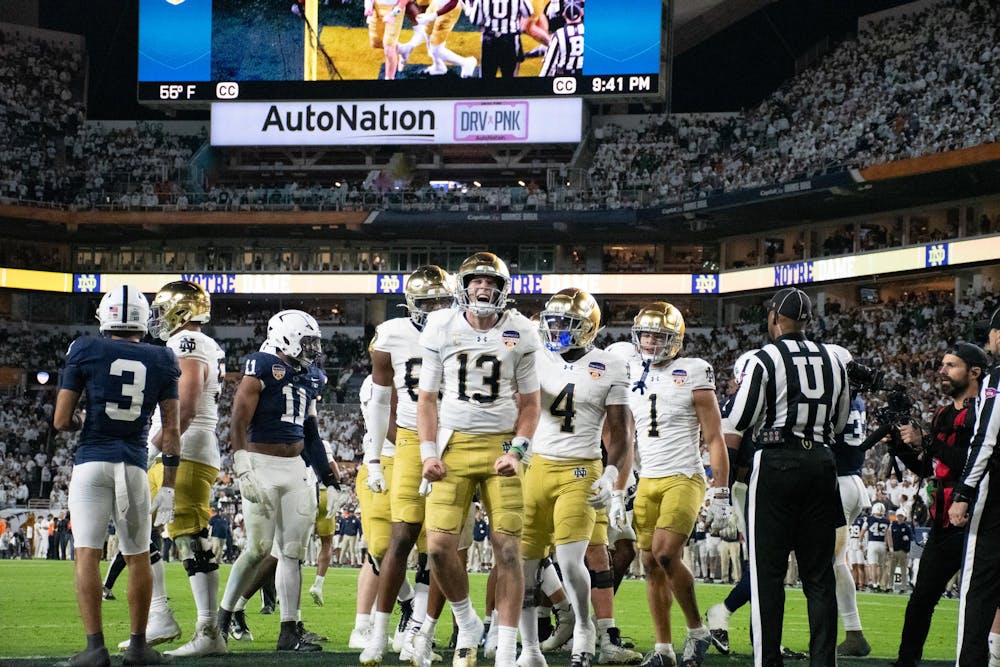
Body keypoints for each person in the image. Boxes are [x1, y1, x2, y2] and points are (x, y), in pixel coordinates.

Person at [416, 251, 541, 667]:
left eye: (491, 282)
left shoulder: (522, 331)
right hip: (453, 443)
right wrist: (428, 453)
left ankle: (505, 649)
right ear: (464, 287)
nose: (483, 288)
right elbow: (428, 399)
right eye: (476, 281)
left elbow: (530, 404)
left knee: (508, 549)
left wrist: (519, 451)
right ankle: (467, 622)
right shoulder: (440, 325)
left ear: (504, 290)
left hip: (502, 446)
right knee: (437, 548)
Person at [54, 285, 181, 667]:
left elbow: (61, 420)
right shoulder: (163, 357)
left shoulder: (85, 348)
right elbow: (172, 431)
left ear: (104, 317)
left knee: (87, 554)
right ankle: (139, 646)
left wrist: (81, 418)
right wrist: (170, 486)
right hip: (133, 465)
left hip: (92, 462)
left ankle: (95, 648)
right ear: (144, 320)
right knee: (138, 555)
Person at [725, 287, 850, 667]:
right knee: (819, 577)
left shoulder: (766, 358)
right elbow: (840, 423)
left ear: (775, 318)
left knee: (767, 576)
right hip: (822, 465)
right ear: (808, 320)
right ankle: (822, 663)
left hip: (777, 463)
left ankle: (768, 661)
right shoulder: (833, 359)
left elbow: (742, 419)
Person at [518, 288, 632, 667]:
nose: (555, 329)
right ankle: (530, 649)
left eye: (566, 323)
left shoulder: (610, 365)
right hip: (535, 467)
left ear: (587, 327)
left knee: (570, 561)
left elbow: (620, 433)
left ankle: (585, 627)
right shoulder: (535, 355)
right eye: (552, 321)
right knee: (526, 565)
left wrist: (613, 475)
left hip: (580, 469)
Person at [217, 309, 340, 653]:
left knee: (291, 553)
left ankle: (290, 629)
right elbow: (238, 420)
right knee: (257, 548)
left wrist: (329, 478)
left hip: (296, 467)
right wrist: (242, 465)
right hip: (261, 464)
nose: (313, 349)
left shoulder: (310, 377)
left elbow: (312, 434)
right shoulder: (260, 364)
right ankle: (222, 619)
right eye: (308, 341)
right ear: (286, 337)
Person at [360, 265, 455, 667]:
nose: (435, 308)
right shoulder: (392, 334)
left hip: (454, 441)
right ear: (411, 304)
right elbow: (380, 401)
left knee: (442, 545)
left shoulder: (464, 330)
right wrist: (373, 458)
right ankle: (379, 633)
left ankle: (422, 632)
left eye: (441, 300)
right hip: (408, 441)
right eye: (427, 301)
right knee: (399, 540)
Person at [625, 302, 727, 667]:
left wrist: (721, 491)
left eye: (660, 335)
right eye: (647, 335)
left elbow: (715, 437)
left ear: (676, 340)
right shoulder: (629, 366)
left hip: (684, 474)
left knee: (667, 553)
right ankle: (664, 649)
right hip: (647, 477)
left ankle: (697, 629)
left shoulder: (694, 371)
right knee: (651, 564)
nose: (651, 342)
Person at [137, 281, 227, 657]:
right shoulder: (202, 344)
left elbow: (186, 407)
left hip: (186, 449)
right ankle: (161, 616)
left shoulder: (186, 344)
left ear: (181, 311)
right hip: (190, 447)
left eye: (163, 309)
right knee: (143, 529)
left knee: (190, 536)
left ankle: (208, 630)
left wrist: (153, 448)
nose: (158, 318)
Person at [886, 343, 987, 667]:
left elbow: (972, 463)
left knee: (978, 603)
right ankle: (906, 662)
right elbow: (932, 470)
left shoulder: (983, 412)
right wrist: (902, 450)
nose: (942, 371)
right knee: (920, 600)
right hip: (943, 522)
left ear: (974, 372)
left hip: (975, 520)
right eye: (942, 365)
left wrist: (926, 441)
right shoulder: (943, 413)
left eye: (951, 365)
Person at [949, 311, 1000, 666]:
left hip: (996, 495)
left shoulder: (996, 377)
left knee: (977, 589)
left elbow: (986, 439)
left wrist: (964, 492)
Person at [823, 345, 871, 656]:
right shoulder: (857, 398)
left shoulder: (836, 397)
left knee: (829, 564)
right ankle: (852, 633)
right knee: (834, 562)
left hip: (837, 484)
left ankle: (851, 633)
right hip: (853, 481)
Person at [465, 0, 533, 77]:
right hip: (510, 39)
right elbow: (528, 12)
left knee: (487, 79)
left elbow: (476, 20)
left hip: (490, 40)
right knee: (510, 78)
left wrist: (470, 8)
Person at [538, 0, 584, 77]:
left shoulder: (559, 34)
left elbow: (548, 63)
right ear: (581, 13)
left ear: (564, 14)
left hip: (563, 77)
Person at [861, 502, 891, 591]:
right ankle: (878, 582)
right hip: (882, 544)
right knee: (879, 566)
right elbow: (889, 536)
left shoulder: (869, 519)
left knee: (873, 566)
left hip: (872, 544)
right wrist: (891, 548)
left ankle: (874, 584)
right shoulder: (887, 521)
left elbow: (862, 532)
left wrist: (860, 543)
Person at [888, 510, 913, 593]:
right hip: (894, 550)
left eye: (901, 516)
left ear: (904, 517)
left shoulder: (907, 527)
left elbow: (909, 540)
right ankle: (890, 586)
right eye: (898, 516)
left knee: (903, 570)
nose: (899, 518)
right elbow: (889, 537)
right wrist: (890, 548)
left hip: (903, 551)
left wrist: (907, 551)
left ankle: (903, 587)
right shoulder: (893, 526)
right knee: (891, 569)